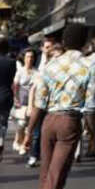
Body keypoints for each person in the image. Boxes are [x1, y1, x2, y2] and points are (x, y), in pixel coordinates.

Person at [24, 23, 95, 189]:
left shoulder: (50, 66)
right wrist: (92, 134)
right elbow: (92, 105)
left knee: (46, 174)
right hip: (70, 121)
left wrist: (29, 131)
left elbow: (39, 101)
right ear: (86, 43)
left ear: (63, 42)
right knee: (56, 177)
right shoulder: (90, 66)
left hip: (48, 121)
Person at [27, 36, 59, 169]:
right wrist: (30, 105)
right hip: (40, 102)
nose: (48, 50)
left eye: (50, 47)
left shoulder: (58, 63)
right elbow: (35, 86)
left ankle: (48, 156)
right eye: (46, 47)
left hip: (54, 103)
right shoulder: (41, 63)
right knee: (37, 131)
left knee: (52, 131)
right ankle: (34, 155)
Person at [11, 49, 37, 155]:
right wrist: (16, 98)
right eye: (27, 56)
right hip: (21, 101)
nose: (29, 59)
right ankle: (18, 140)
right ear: (24, 58)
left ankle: (23, 145)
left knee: (29, 126)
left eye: (31, 57)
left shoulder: (37, 72)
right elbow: (15, 85)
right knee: (21, 124)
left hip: (33, 102)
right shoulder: (20, 71)